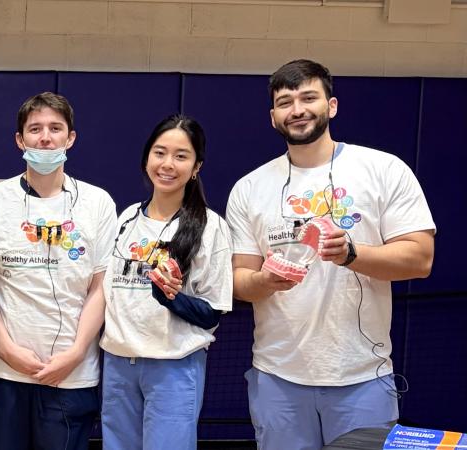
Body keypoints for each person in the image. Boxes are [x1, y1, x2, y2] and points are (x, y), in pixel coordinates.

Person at [226, 59, 435, 449]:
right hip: (278, 377)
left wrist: (352, 254)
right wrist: (264, 282)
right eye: (285, 102)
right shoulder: (249, 188)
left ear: (331, 105)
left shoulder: (383, 169)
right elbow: (241, 280)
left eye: (309, 97)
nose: (298, 109)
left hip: (361, 377)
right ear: (274, 117)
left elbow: (420, 258)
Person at [0, 92, 115, 450]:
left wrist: (74, 353)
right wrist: (7, 350)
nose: (45, 137)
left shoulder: (98, 202)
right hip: (4, 373)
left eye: (55, 129)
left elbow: (100, 287)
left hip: (71, 376)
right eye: (35, 129)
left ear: (70, 138)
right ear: (19, 140)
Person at [99, 114, 233, 450]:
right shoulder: (126, 217)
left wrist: (171, 298)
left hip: (173, 366)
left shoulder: (210, 226)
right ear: (147, 158)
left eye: (181, 156)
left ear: (197, 166)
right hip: (118, 362)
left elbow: (212, 313)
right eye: (159, 153)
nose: (167, 164)